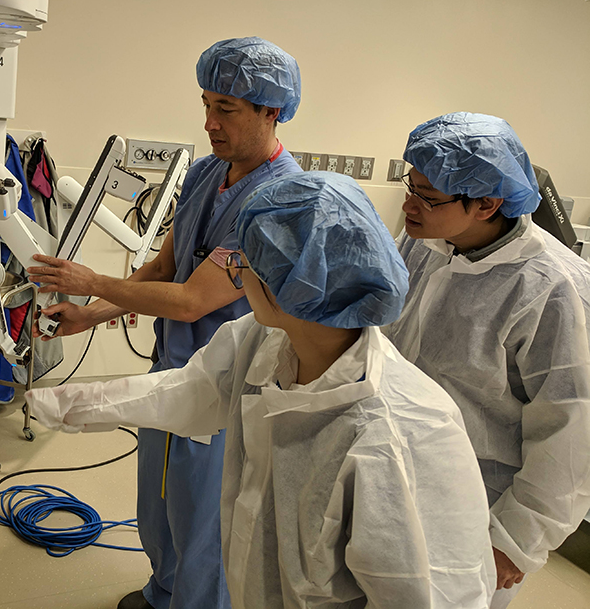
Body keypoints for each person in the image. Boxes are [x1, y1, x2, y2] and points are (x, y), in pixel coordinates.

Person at [27, 173, 497, 608]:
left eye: (242, 264)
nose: (236, 275)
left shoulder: (405, 435)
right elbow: (192, 392)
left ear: (287, 287)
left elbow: (429, 594)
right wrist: (65, 403)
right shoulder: (263, 339)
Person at [26, 37, 303, 609]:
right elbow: (165, 266)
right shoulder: (206, 173)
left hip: (225, 387)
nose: (209, 122)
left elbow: (190, 302)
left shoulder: (279, 199)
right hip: (170, 369)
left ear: (270, 110)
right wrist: (89, 315)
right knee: (158, 502)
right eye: (205, 104)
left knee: (205, 519)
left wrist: (93, 282)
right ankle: (163, 591)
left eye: (225, 109)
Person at [382, 112, 590, 608]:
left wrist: (516, 541)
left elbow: (573, 431)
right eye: (411, 184)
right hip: (390, 475)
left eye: (427, 197)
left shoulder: (553, 291)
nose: (409, 204)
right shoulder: (423, 244)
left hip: (477, 506)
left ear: (487, 204)